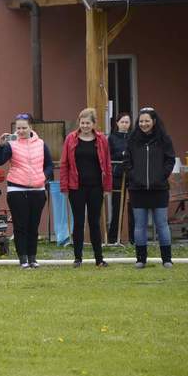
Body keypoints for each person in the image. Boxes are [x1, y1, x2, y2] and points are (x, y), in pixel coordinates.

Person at [0, 113, 53, 269]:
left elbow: (49, 165)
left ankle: (32, 258)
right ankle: (23, 259)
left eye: (24, 128)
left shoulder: (41, 144)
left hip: (37, 190)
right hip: (16, 190)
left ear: (31, 127)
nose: (20, 131)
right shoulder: (11, 144)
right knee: (20, 226)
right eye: (18, 128)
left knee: (33, 226)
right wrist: (1, 146)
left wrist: (43, 176)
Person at [123, 107, 176, 268]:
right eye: (141, 121)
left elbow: (170, 160)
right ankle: (141, 259)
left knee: (162, 224)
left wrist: (161, 176)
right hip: (137, 190)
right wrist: (134, 176)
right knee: (140, 225)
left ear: (153, 121)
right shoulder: (132, 139)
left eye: (147, 121)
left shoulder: (164, 139)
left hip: (159, 189)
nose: (143, 124)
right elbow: (127, 162)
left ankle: (167, 259)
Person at [60, 108, 112, 268]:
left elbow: (107, 164)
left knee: (94, 222)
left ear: (94, 124)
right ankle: (78, 258)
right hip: (76, 187)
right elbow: (64, 164)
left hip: (96, 187)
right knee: (78, 222)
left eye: (88, 123)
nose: (85, 126)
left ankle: (99, 258)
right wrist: (64, 186)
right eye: (82, 123)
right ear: (79, 123)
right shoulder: (70, 139)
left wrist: (107, 187)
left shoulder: (102, 139)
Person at [107, 112, 135, 244]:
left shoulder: (134, 137)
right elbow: (109, 156)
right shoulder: (112, 138)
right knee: (117, 206)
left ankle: (134, 238)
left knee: (134, 207)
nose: (124, 124)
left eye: (127, 122)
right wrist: (122, 154)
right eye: (122, 122)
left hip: (132, 174)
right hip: (118, 174)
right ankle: (113, 238)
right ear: (117, 123)